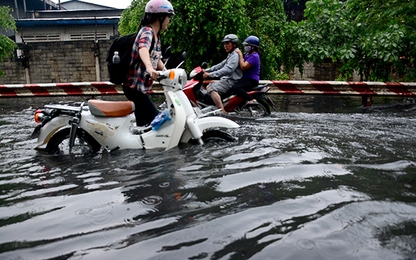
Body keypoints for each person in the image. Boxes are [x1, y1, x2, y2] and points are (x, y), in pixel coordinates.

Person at [123, 0, 174, 127]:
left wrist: (167, 72)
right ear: (160, 17)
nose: (169, 21)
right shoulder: (147, 31)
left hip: (141, 87)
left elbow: (157, 59)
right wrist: (150, 68)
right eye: (168, 17)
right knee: (156, 119)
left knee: (143, 123)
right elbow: (143, 48)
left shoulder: (157, 36)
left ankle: (139, 146)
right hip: (134, 87)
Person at [203, 34, 242, 114]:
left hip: (231, 81)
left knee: (212, 89)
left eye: (228, 43)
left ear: (234, 44)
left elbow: (228, 70)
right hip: (227, 79)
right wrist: (206, 70)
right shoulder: (231, 54)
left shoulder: (235, 55)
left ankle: (222, 111)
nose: (225, 46)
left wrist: (210, 75)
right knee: (209, 86)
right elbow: (220, 65)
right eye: (224, 44)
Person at [230, 35, 261, 105]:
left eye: (247, 45)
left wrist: (240, 55)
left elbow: (243, 66)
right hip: (245, 78)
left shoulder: (254, 56)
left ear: (253, 47)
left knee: (235, 87)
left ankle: (251, 99)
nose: (245, 47)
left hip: (251, 80)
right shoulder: (248, 54)